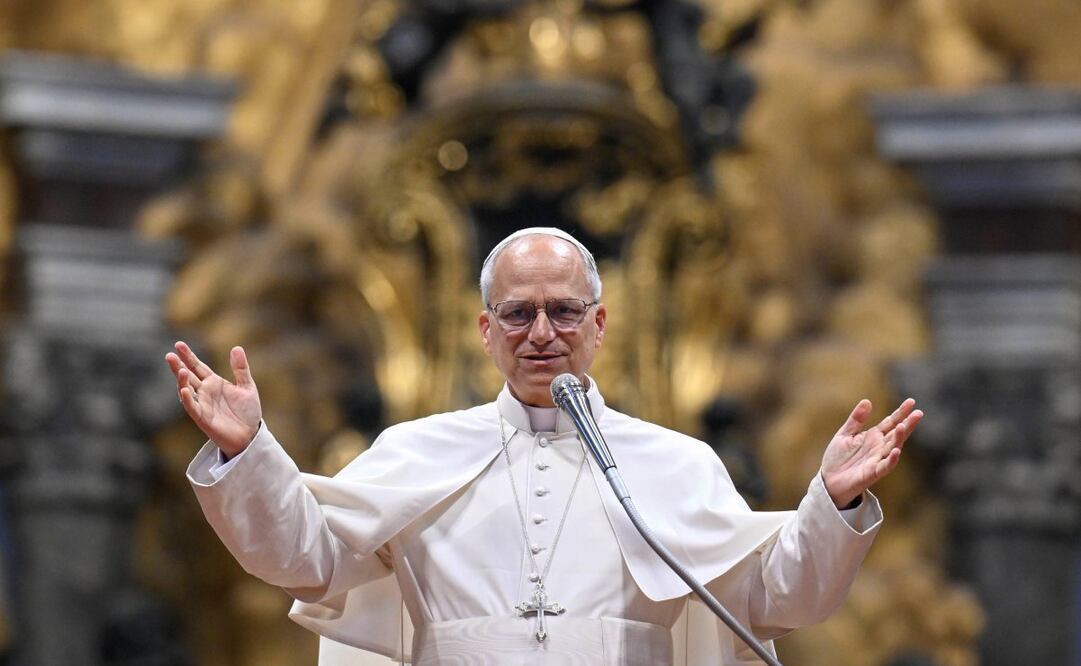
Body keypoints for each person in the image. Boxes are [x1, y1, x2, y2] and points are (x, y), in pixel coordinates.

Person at [167, 227, 921, 665]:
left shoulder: (676, 463)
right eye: (518, 313)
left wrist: (833, 501)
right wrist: (250, 453)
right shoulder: (416, 450)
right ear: (484, 330)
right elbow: (304, 559)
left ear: (598, 326)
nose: (541, 334)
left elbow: (771, 601)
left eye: (563, 312)